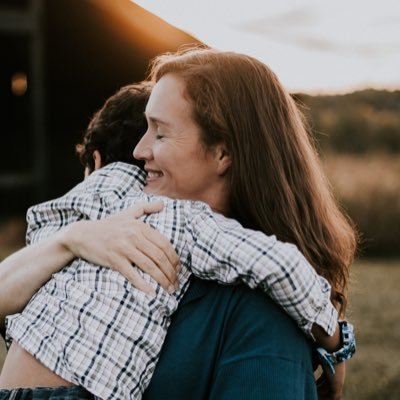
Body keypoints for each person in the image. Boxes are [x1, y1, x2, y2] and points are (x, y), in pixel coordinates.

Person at [0, 47, 357, 399]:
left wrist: (334, 344)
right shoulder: (112, 230)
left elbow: (283, 269)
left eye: (160, 132)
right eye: (144, 129)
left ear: (223, 152)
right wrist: (72, 239)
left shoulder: (259, 310)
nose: (140, 151)